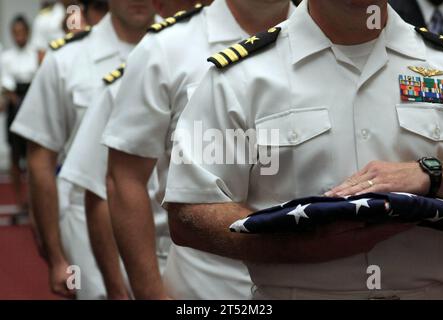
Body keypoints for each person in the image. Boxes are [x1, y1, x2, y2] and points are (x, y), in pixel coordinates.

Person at [164, 0, 443, 300]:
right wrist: (293, 246)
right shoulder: (242, 78)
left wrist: (433, 175)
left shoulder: (442, 67)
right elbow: (189, 213)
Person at [102, 0, 297, 299]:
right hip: (203, 287)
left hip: (314, 279)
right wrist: (149, 292)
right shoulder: (167, 48)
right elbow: (124, 179)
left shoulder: (334, 37)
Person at [58, 0, 207, 300]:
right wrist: (116, 288)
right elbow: (100, 190)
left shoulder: (235, 66)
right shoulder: (133, 73)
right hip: (156, 257)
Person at [11, 0, 155, 300]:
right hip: (86, 220)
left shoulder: (185, 51)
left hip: (165, 223)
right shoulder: (66, 59)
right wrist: (55, 257)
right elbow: (40, 159)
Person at [1, 16, 39, 214]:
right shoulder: (6, 57)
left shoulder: (35, 54)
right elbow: (5, 83)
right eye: (15, 33)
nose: (19, 36)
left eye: (22, 32)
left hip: (34, 101)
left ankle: (35, 199)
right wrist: (13, 99)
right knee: (15, 156)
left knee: (34, 154)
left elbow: (40, 78)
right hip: (15, 102)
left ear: (28, 32)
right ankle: (18, 200)